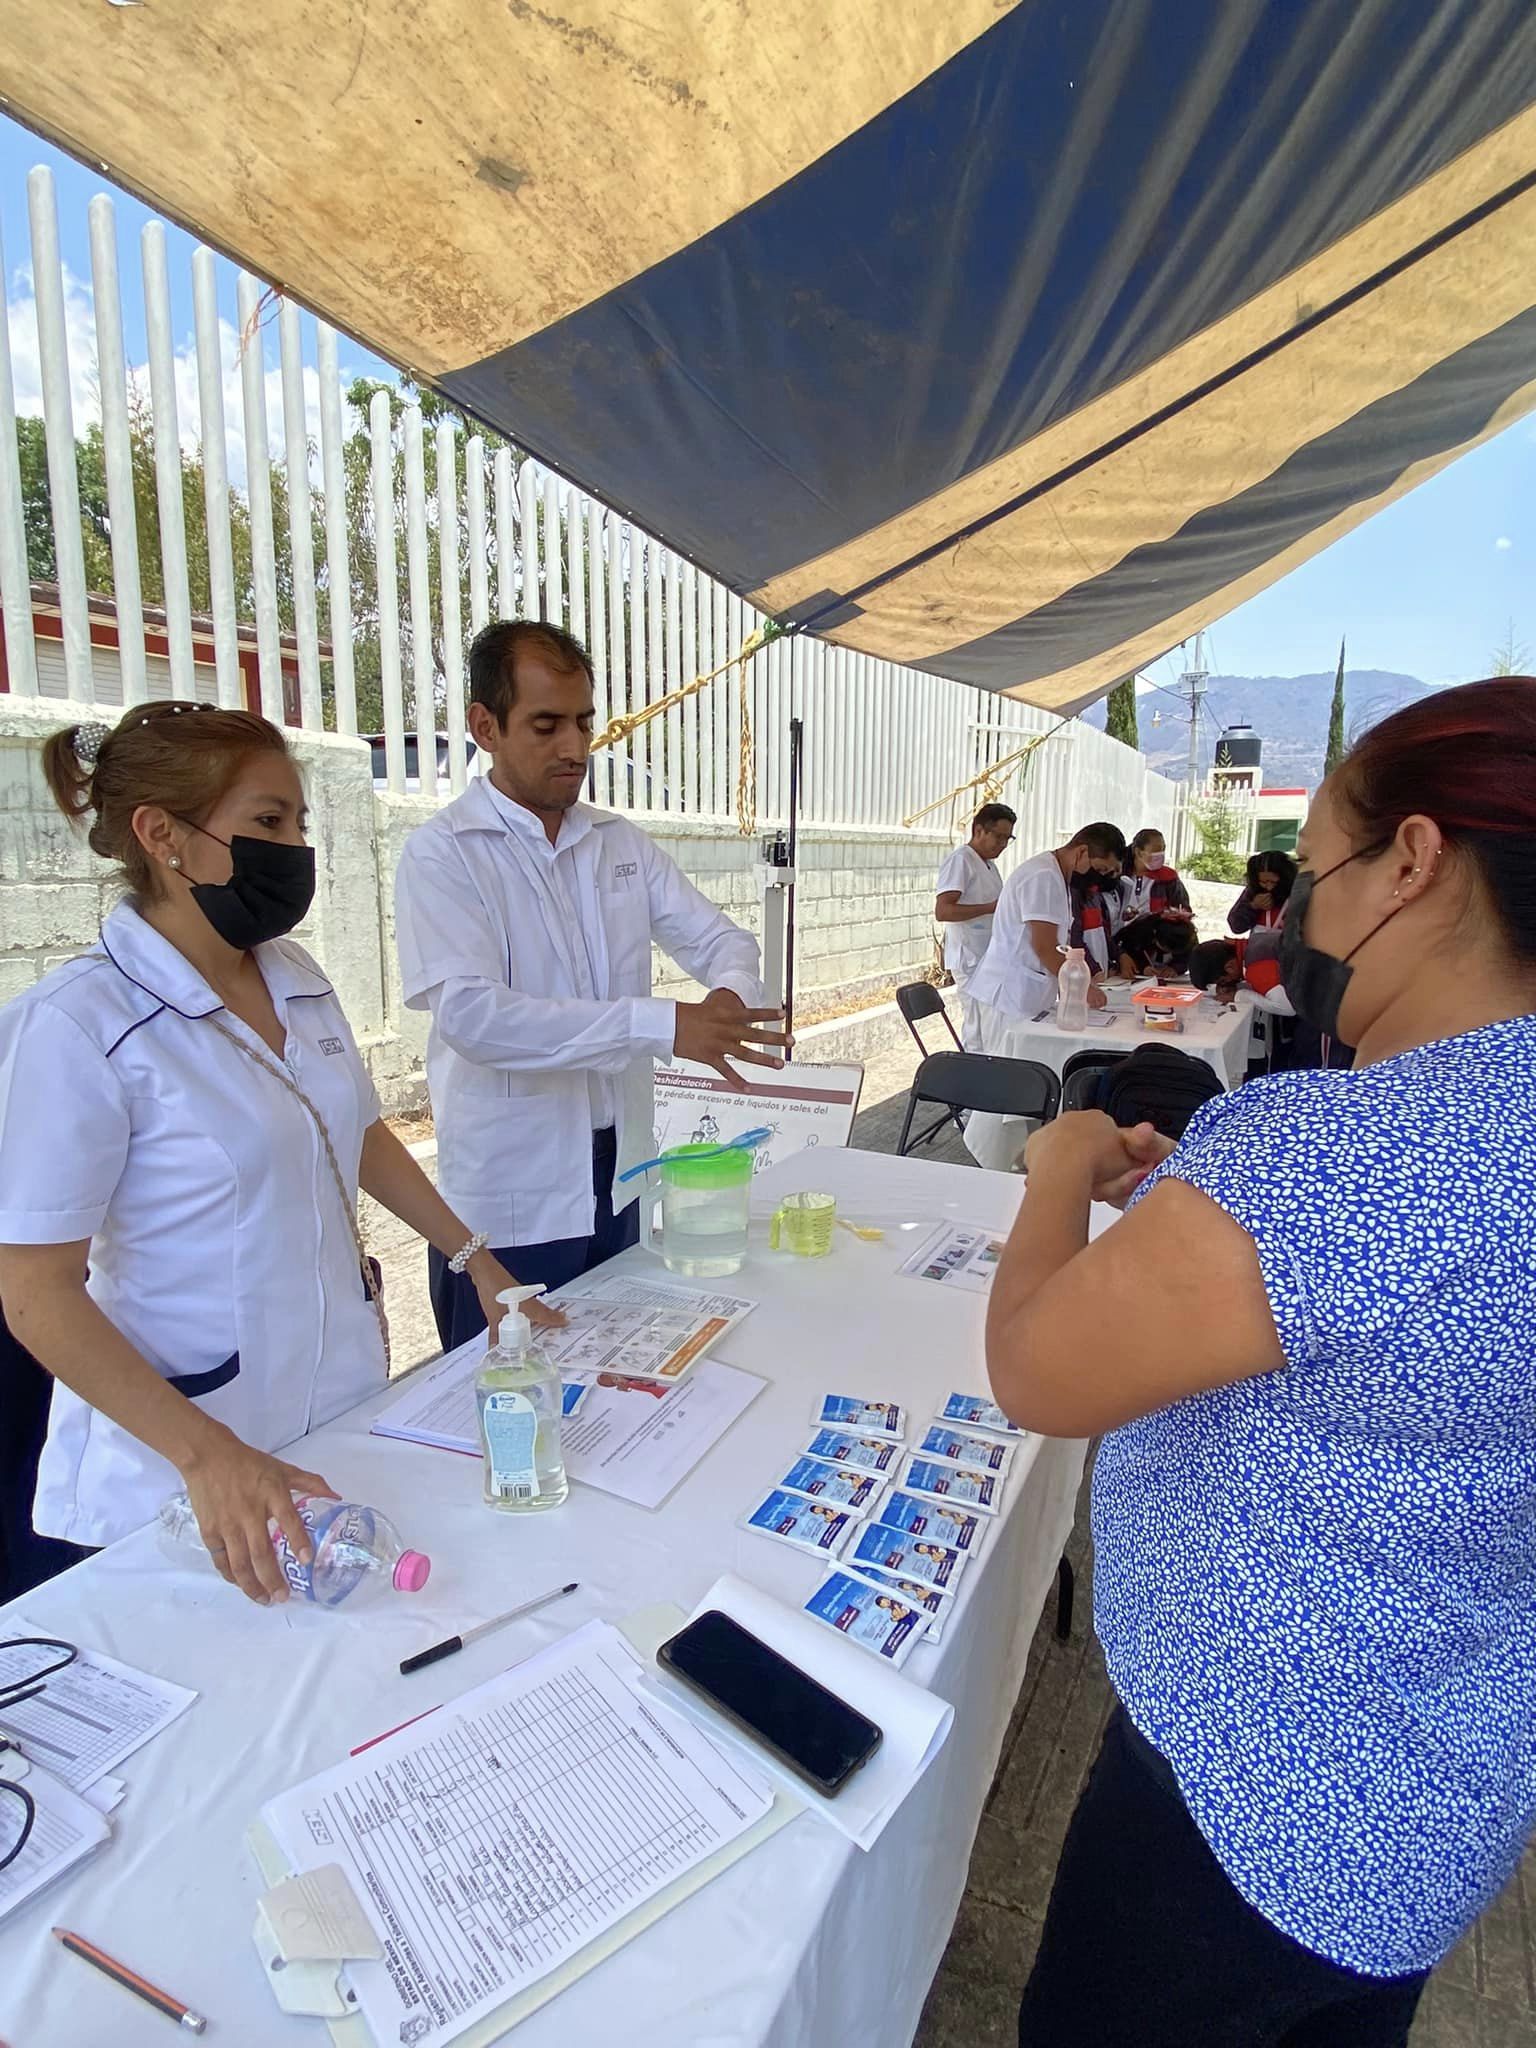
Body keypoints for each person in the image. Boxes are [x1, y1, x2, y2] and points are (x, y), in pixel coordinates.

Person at [986, 676, 1536, 2045]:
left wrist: (1057, 1169)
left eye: (1324, 872)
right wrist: (1219, 1233)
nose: (1300, 921)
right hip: (1439, 1798)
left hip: (1246, 1796)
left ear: (1414, 862)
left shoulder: (1336, 1149)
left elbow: (1037, 1373)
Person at [0, 704, 552, 1608]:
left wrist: (476, 1261)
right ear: (162, 836)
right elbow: (34, 1293)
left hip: (330, 1424)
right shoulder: (78, 1027)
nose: (295, 848)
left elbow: (359, 1133)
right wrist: (206, 1455)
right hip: (180, 1480)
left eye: (299, 823)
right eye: (267, 823)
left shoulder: (295, 978)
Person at [395, 621, 786, 1350]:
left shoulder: (616, 842)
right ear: (485, 725)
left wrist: (728, 995)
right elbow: (474, 1018)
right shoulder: (444, 855)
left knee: (615, 1382)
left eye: (582, 722)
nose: (575, 749)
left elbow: (722, 939)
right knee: (503, 1403)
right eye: (545, 725)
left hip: (619, 1178)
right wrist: (660, 1025)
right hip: (510, 1202)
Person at [966, 823, 1128, 1027]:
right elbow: (1045, 946)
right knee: (1004, 1057)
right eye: (1099, 869)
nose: (1098, 876)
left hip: (1026, 994)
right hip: (1009, 995)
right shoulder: (1044, 876)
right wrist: (1081, 988)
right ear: (1082, 851)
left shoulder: (1058, 876)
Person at [934, 802, 1015, 1046]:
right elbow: (943, 910)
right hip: (969, 956)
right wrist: (990, 908)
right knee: (977, 1026)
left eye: (1007, 839)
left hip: (986, 956)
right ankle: (973, 1071)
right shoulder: (961, 860)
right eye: (998, 837)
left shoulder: (988, 864)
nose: (1002, 845)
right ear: (978, 830)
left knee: (990, 1024)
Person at [1117, 827, 1192, 926]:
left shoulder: (1168, 878)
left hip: (1157, 935)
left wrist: (1167, 915)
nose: (1160, 855)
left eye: (1163, 850)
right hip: (1122, 935)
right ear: (1139, 852)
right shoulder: (1119, 876)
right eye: (1155, 851)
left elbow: (1184, 910)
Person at [1115, 913, 1197, 982]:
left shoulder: (1187, 938)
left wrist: (1175, 968)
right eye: (1164, 948)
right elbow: (1124, 949)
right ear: (1155, 937)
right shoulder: (1139, 930)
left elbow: (1189, 959)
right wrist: (1143, 967)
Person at [1229, 850, 1297, 932]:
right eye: (1264, 882)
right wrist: (1253, 906)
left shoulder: (1295, 893)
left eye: (1273, 882)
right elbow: (1236, 927)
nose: (1269, 887)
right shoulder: (1253, 891)